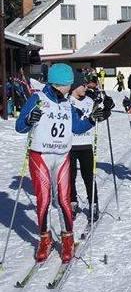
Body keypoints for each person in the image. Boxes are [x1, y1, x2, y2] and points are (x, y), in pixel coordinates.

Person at [15, 63, 108, 264]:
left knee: (64, 200)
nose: (72, 87)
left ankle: (67, 239)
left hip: (62, 156)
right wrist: (30, 119)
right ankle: (45, 240)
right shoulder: (37, 99)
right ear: (61, 83)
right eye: (70, 84)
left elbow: (77, 126)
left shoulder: (67, 103)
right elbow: (20, 126)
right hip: (40, 156)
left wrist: (92, 119)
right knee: (44, 200)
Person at [69, 73, 114, 222]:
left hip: (86, 145)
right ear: (75, 86)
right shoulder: (67, 101)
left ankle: (93, 204)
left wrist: (107, 109)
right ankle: (72, 203)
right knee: (71, 177)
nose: (86, 87)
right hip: (69, 145)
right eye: (83, 85)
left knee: (88, 176)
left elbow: (98, 116)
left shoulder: (90, 100)